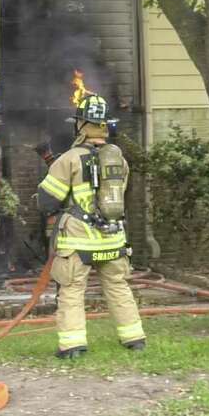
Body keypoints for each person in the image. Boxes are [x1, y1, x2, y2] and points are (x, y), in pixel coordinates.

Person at [36, 93, 146, 359]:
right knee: (119, 286)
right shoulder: (119, 159)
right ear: (106, 125)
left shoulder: (70, 159)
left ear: (81, 125)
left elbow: (47, 201)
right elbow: (119, 196)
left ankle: (72, 346)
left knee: (72, 291)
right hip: (112, 239)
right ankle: (134, 339)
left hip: (78, 241)